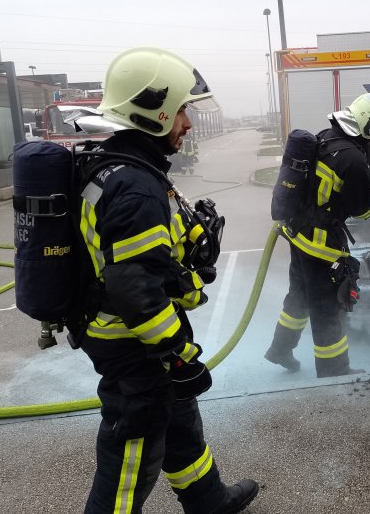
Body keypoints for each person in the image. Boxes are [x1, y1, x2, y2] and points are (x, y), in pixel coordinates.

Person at [75, 47, 258, 513]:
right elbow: (134, 290)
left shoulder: (123, 166)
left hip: (134, 339)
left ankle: (208, 501)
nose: (188, 123)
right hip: (136, 345)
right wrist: (179, 353)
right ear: (152, 111)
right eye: (180, 110)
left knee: (178, 421)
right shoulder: (136, 187)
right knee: (130, 459)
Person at [264, 93, 370, 378]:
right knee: (328, 309)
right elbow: (361, 212)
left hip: (298, 236)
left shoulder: (326, 137)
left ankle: (280, 349)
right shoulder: (353, 158)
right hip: (321, 248)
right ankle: (334, 370)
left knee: (298, 297)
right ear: (368, 127)